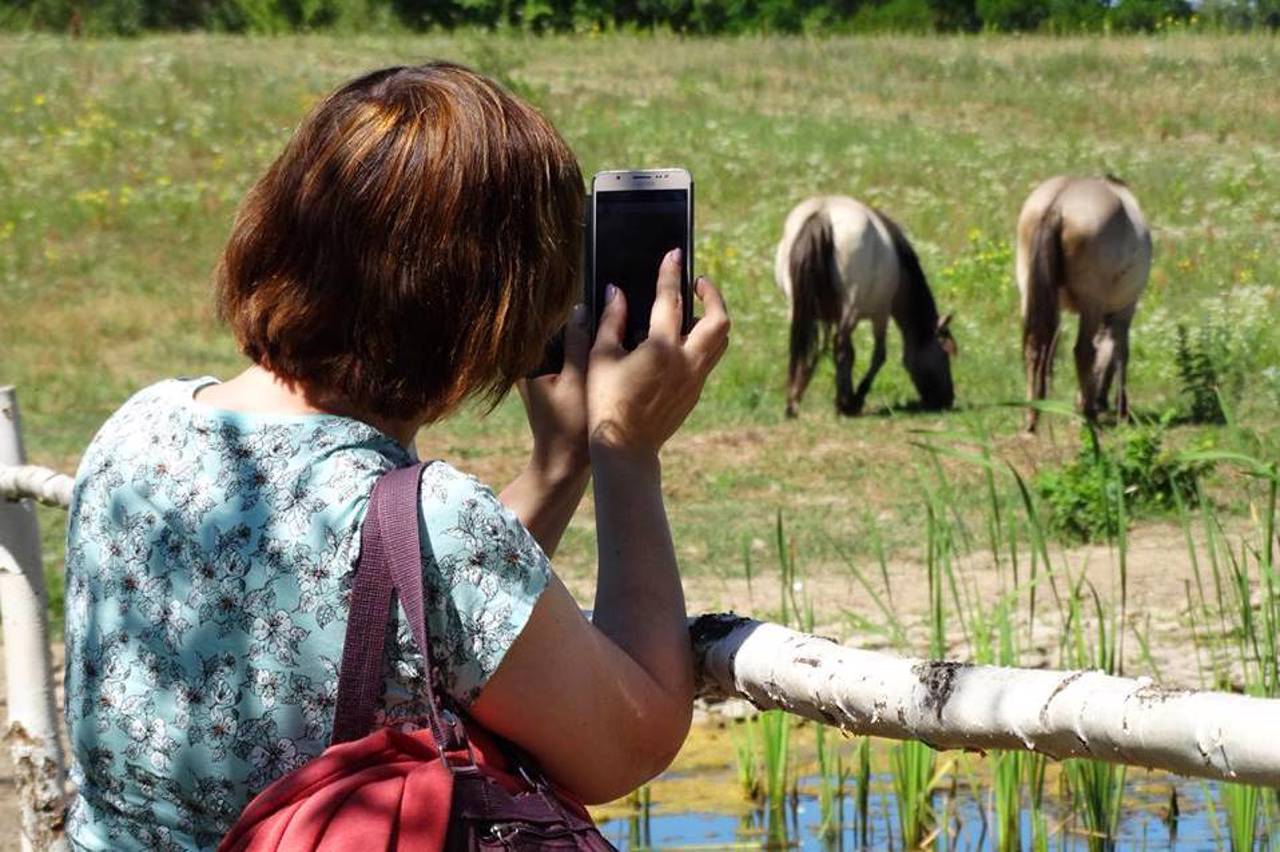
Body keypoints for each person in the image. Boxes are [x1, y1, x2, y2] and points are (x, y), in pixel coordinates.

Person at [62, 62, 730, 850]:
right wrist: (625, 452)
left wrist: (558, 465)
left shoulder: (136, 432)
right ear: (491, 296)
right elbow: (630, 739)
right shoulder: (435, 522)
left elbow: (400, 614)